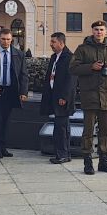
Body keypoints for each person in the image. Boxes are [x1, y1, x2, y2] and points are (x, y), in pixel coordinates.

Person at [70, 20, 107, 175]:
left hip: (106, 94)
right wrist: (90, 67)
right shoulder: (83, 49)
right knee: (88, 130)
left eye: (101, 30)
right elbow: (73, 68)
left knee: (105, 130)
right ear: (92, 31)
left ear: (106, 32)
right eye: (96, 30)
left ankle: (103, 161)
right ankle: (87, 161)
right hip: (90, 94)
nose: (99, 32)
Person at [0, 29, 28, 158]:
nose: (6, 42)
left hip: (10, 91)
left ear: (12, 40)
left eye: (8, 39)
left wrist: (23, 91)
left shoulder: (18, 54)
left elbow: (23, 74)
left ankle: (3, 147)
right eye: (3, 39)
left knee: (6, 121)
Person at [41, 32, 76, 164]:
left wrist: (64, 97)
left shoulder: (70, 57)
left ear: (61, 43)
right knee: (60, 126)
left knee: (61, 128)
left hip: (62, 98)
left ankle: (63, 154)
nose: (51, 45)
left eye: (53, 42)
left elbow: (71, 79)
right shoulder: (54, 57)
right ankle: (62, 153)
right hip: (53, 96)